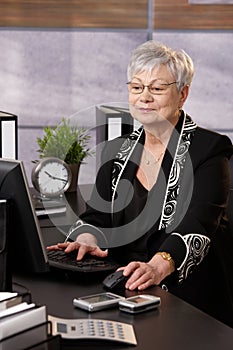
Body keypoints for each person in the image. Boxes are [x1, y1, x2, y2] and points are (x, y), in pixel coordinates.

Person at [48, 40, 233, 327]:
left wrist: (156, 267)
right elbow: (96, 215)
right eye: (136, 87)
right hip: (123, 287)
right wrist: (86, 239)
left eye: (157, 89)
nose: (144, 97)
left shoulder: (210, 150)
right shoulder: (117, 150)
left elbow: (198, 224)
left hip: (188, 300)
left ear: (182, 94)